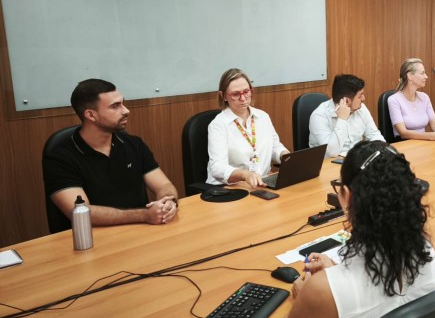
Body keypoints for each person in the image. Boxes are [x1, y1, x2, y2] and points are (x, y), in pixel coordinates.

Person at [269, 141, 435, 318]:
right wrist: (335, 276)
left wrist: (304, 299)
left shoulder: (320, 294)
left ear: (346, 197)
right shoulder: (426, 251)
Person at [43, 79, 179, 229]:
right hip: (91, 239)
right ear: (91, 115)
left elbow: (164, 185)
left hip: (140, 230)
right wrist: (144, 215)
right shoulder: (59, 156)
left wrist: (169, 202)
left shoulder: (133, 143)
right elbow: (82, 212)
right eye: (115, 106)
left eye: (123, 103)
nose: (126, 110)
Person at [206, 68, 289, 188]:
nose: (243, 98)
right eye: (235, 94)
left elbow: (274, 146)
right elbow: (217, 168)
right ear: (223, 96)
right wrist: (245, 175)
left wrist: (285, 155)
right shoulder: (218, 125)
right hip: (228, 189)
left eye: (246, 92)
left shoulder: (263, 117)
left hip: (261, 184)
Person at [309, 74, 385, 158]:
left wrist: (384, 152)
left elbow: (374, 134)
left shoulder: (361, 108)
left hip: (356, 160)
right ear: (347, 101)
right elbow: (331, 153)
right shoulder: (319, 116)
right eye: (360, 96)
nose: (363, 98)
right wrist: (342, 120)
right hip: (328, 165)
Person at [388, 58, 435, 141]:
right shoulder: (394, 100)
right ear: (410, 76)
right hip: (405, 145)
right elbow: (403, 133)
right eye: (422, 73)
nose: (426, 76)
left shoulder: (424, 97)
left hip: (424, 143)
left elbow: (434, 124)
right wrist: (432, 136)